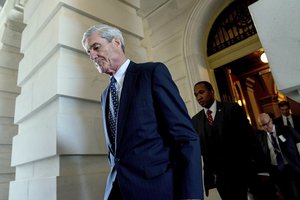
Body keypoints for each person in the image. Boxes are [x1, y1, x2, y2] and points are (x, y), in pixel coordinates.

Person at [81, 24, 203, 200]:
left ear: (116, 42)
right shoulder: (105, 95)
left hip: (157, 189)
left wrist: (191, 195)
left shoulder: (152, 73)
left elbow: (186, 137)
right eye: (88, 52)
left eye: (95, 47)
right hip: (118, 190)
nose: (92, 55)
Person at [191, 81, 266, 200]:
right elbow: (202, 151)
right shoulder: (195, 120)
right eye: (196, 95)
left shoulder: (232, 109)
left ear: (211, 92)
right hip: (221, 179)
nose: (199, 97)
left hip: (243, 172)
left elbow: (250, 139)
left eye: (201, 92)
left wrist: (262, 169)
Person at [257, 112, 300, 200]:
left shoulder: (286, 129)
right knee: (286, 195)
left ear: (271, 120)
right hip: (277, 171)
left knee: (297, 194)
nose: (266, 127)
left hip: (291, 167)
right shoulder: (260, 138)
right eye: (262, 125)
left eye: (267, 123)